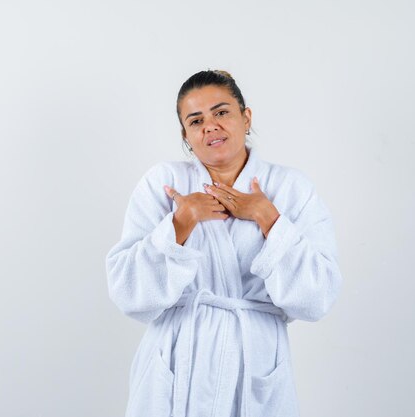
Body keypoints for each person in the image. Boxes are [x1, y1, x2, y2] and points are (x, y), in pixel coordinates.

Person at [105, 70, 342, 417]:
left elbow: (318, 297)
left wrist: (268, 219)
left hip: (255, 362)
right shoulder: (163, 182)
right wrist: (180, 223)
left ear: (246, 117)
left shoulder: (291, 188)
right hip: (176, 362)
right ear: (186, 135)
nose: (210, 126)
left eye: (221, 112)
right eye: (196, 120)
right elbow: (128, 293)